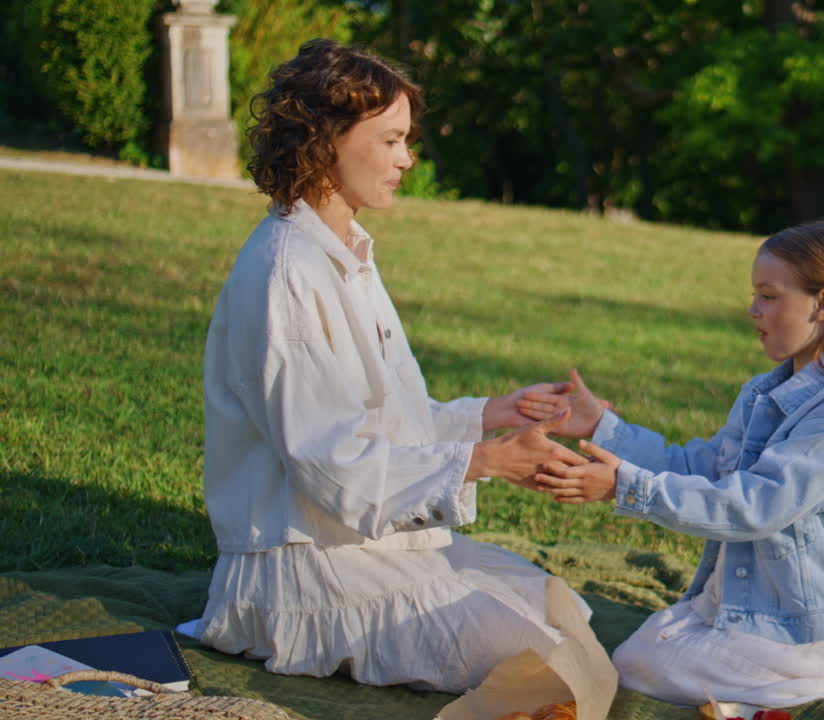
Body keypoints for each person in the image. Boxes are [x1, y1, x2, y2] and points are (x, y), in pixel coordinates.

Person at [196, 39, 592, 693]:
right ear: (324, 140)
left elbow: (385, 423)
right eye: (391, 140)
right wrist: (486, 461)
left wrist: (493, 415)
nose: (407, 159)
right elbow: (332, 466)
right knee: (542, 666)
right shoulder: (287, 272)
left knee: (559, 610)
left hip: (366, 547)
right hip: (305, 571)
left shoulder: (343, 253)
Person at [525, 221, 824, 708]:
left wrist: (624, 487)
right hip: (763, 606)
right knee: (641, 650)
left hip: (813, 627)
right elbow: (700, 467)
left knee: (633, 665)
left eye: (769, 296)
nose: (753, 310)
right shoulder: (762, 394)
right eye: (755, 295)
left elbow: (753, 507)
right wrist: (600, 426)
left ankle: (823, 681)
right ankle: (760, 680)